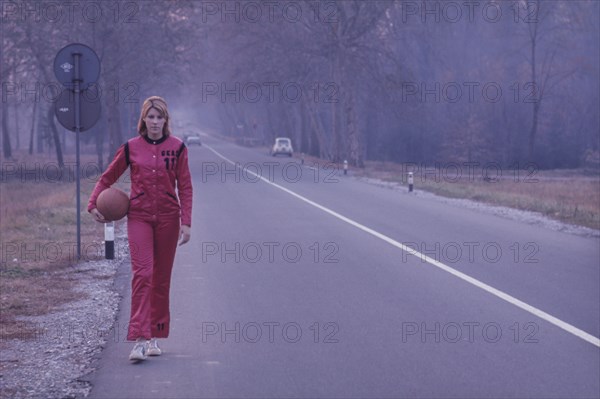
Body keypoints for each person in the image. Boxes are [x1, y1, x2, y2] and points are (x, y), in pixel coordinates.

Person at [88, 96, 193, 362]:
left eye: (160, 117)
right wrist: (93, 204)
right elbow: (108, 177)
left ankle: (155, 335)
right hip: (139, 218)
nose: (155, 122)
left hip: (169, 218)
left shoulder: (178, 148)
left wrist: (187, 222)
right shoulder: (131, 148)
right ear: (143, 120)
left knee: (161, 279)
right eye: (151, 117)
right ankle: (139, 339)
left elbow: (186, 187)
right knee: (143, 273)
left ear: (166, 120)